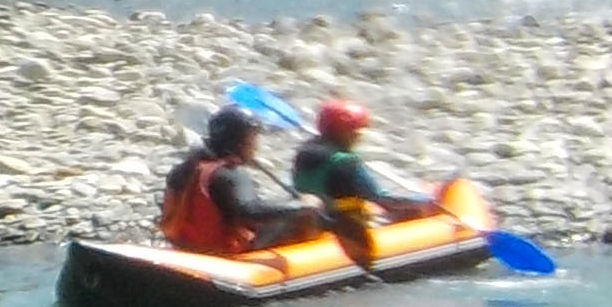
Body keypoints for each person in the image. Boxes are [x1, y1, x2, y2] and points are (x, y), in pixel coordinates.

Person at [159, 104, 332, 255]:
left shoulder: (185, 168)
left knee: (283, 204)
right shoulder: (230, 174)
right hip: (223, 251)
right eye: (253, 138)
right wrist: (303, 206)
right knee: (302, 214)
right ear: (241, 142)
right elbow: (251, 211)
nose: (256, 146)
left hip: (185, 246)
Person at [290, 97, 433, 220]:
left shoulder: (304, 151)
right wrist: (425, 200)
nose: (359, 137)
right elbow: (379, 198)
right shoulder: (345, 162)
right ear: (345, 132)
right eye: (356, 132)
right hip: (342, 222)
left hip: (314, 216)